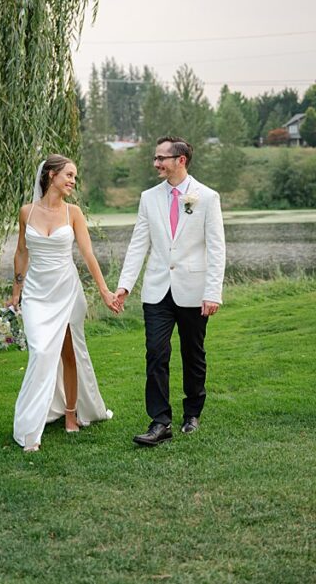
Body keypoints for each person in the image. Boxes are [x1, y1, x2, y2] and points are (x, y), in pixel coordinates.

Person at [115, 136, 225, 447]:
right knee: (156, 353)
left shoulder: (207, 197)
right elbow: (139, 244)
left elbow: (217, 249)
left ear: (181, 160)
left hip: (193, 289)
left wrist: (212, 292)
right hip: (157, 291)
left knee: (193, 354)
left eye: (162, 158)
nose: (156, 163)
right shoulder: (148, 197)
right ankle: (160, 421)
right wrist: (125, 285)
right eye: (155, 157)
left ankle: (192, 413)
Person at [11, 154, 117, 452]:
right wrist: (16, 290)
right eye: (68, 175)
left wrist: (105, 291)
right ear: (50, 175)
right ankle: (31, 422)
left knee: (69, 353)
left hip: (66, 290)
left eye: (74, 177)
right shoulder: (26, 213)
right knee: (42, 352)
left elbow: (88, 255)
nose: (72, 181)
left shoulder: (73, 213)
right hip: (35, 293)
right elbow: (21, 252)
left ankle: (71, 414)